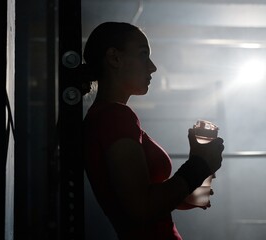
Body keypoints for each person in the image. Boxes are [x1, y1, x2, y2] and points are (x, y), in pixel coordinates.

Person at [82, 22, 225, 240]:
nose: (152, 67)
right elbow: (141, 208)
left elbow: (146, 199)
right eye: (142, 55)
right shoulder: (114, 117)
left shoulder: (108, 117)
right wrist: (198, 164)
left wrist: (194, 183)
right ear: (114, 58)